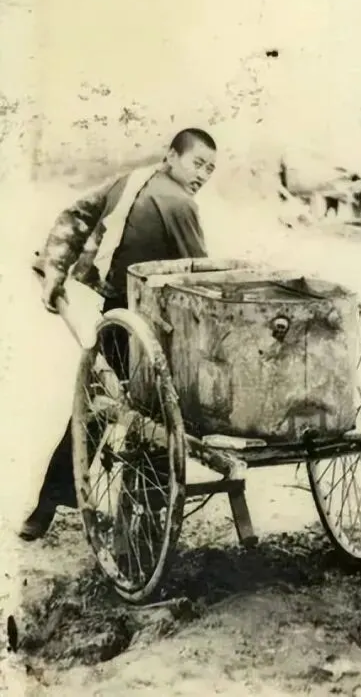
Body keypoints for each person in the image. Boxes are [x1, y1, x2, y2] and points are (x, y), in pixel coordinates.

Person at [18, 127, 217, 542]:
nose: (202, 174)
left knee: (93, 410)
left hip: (117, 319)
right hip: (152, 329)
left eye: (210, 170)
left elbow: (76, 216)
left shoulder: (130, 181)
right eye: (198, 163)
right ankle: (145, 521)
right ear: (171, 156)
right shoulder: (180, 204)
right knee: (159, 419)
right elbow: (200, 274)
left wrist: (55, 269)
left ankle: (46, 508)